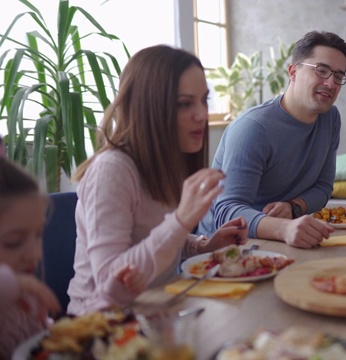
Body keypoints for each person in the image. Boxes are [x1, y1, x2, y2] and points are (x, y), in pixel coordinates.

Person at [67, 45, 248, 316]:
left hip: (157, 309)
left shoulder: (167, 160)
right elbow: (110, 280)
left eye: (203, 100)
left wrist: (204, 245)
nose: (201, 114)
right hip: (101, 324)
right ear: (149, 107)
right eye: (185, 103)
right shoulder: (112, 170)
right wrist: (180, 221)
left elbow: (150, 235)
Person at [197, 31, 346, 249]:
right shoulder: (253, 128)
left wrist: (293, 207)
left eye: (338, 76)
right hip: (223, 248)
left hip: (280, 240)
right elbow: (226, 211)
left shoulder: (330, 118)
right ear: (293, 72)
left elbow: (323, 186)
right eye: (321, 71)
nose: (330, 83)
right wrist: (284, 228)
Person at [0, 158, 61, 357]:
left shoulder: (29, 293)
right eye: (13, 241)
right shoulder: (13, 285)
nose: (36, 253)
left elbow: (41, 338)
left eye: (39, 234)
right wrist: (14, 283)